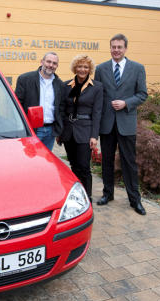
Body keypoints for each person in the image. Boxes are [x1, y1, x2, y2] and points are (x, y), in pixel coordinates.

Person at [94, 34, 148, 215]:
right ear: (110, 48)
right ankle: (107, 194)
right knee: (107, 161)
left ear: (125, 48)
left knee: (129, 163)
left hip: (126, 122)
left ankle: (135, 200)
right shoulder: (101, 69)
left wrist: (126, 103)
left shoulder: (138, 68)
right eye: (113, 47)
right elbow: (97, 95)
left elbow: (142, 94)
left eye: (119, 47)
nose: (116, 50)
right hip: (107, 124)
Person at [59, 55, 102, 202]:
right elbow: (62, 109)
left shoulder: (97, 87)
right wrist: (60, 131)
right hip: (68, 131)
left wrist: (94, 136)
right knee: (73, 164)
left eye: (85, 67)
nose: (82, 69)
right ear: (75, 68)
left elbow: (97, 113)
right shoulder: (66, 86)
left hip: (85, 131)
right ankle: (76, 195)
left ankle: (87, 197)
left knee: (84, 166)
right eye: (79, 66)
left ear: (90, 69)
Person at [15, 52, 63, 151]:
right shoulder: (25, 79)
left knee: (45, 161)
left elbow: (61, 108)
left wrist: (59, 130)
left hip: (50, 131)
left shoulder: (60, 84)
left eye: (54, 63)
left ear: (57, 66)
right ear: (42, 62)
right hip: (31, 130)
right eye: (48, 61)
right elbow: (17, 105)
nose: (51, 65)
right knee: (30, 160)